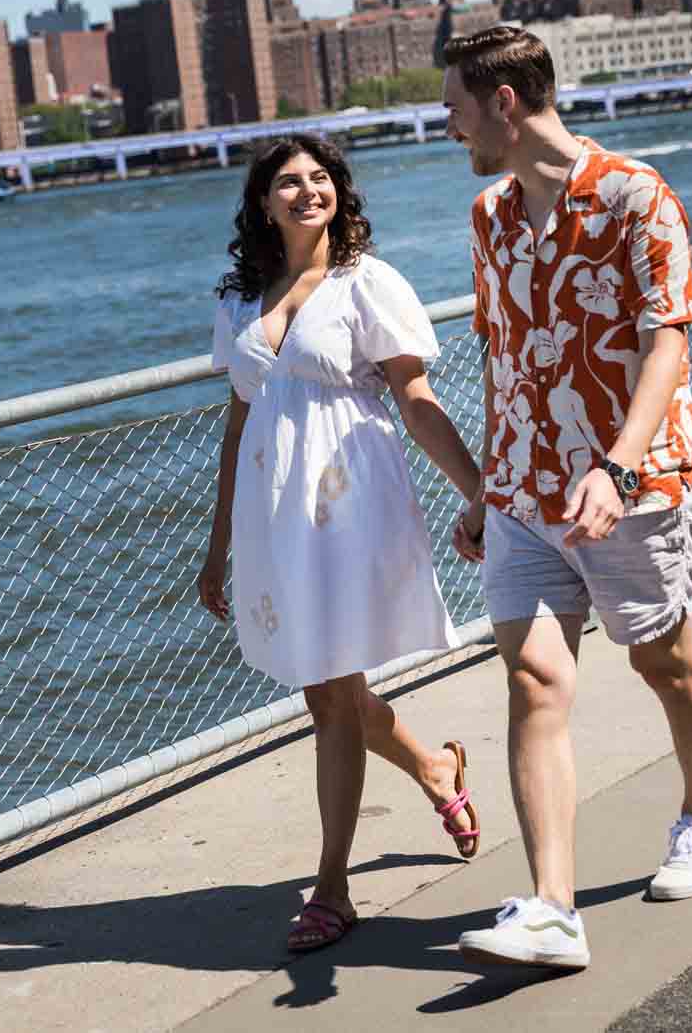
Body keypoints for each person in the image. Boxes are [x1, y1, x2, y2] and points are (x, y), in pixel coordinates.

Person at [440, 26, 692, 972]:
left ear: (505, 104)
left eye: (453, 106)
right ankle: (553, 909)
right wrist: (490, 484)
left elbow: (668, 346)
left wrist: (612, 465)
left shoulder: (634, 196)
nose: (448, 127)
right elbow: (504, 360)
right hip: (525, 492)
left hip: (631, 484)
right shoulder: (488, 215)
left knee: (665, 662)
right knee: (533, 682)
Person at [196, 133, 485, 955]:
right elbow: (240, 418)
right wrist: (216, 543)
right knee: (332, 691)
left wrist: (480, 490)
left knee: (329, 691)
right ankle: (435, 768)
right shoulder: (241, 299)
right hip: (272, 508)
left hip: (348, 501)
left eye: (320, 178)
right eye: (288, 181)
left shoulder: (367, 283)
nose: (307, 191)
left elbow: (417, 399)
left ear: (339, 192)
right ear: (262, 202)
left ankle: (332, 887)